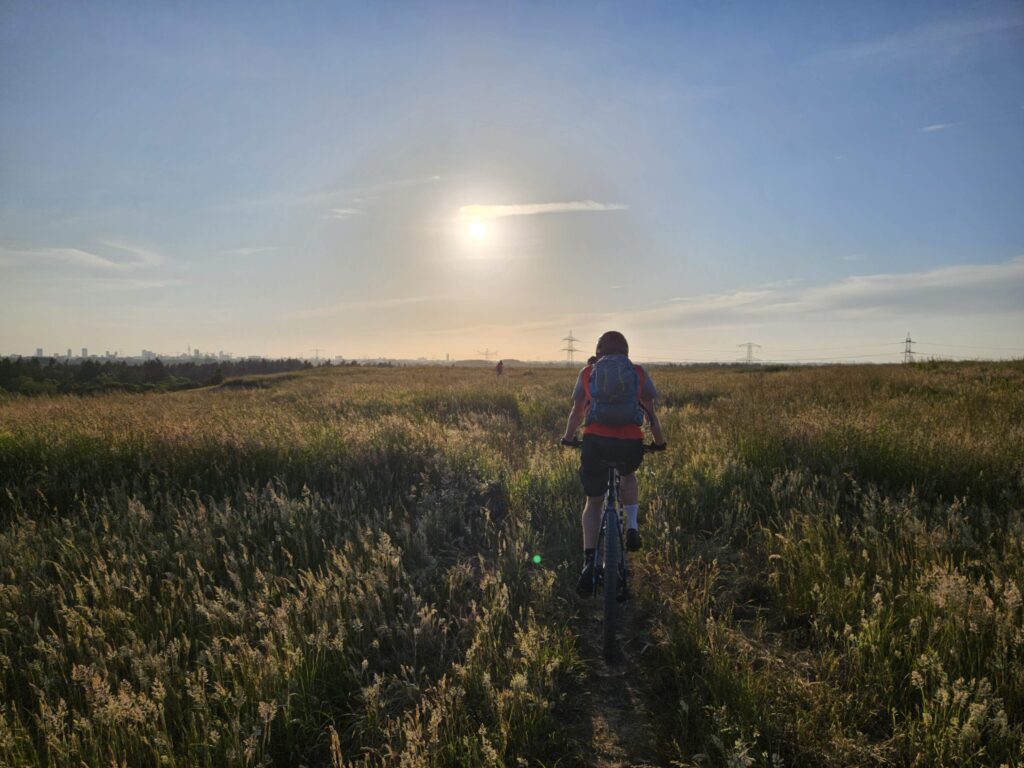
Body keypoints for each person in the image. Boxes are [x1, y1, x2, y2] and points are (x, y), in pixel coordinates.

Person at [560, 331, 665, 596]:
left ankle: (588, 562)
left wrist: (568, 437)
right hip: (629, 442)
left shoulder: (588, 372)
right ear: (626, 351)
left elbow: (577, 411)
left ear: (599, 351)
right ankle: (631, 526)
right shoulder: (637, 372)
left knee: (594, 502)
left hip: (595, 442)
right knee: (628, 475)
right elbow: (650, 413)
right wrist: (660, 442)